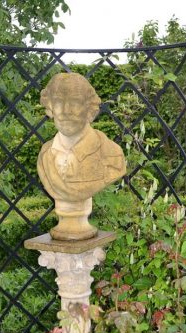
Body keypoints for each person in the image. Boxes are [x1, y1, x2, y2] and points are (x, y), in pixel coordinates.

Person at [37, 72, 126, 240]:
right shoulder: (45, 156)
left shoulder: (111, 155)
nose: (64, 111)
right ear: (50, 107)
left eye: (75, 102)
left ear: (89, 108)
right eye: (57, 102)